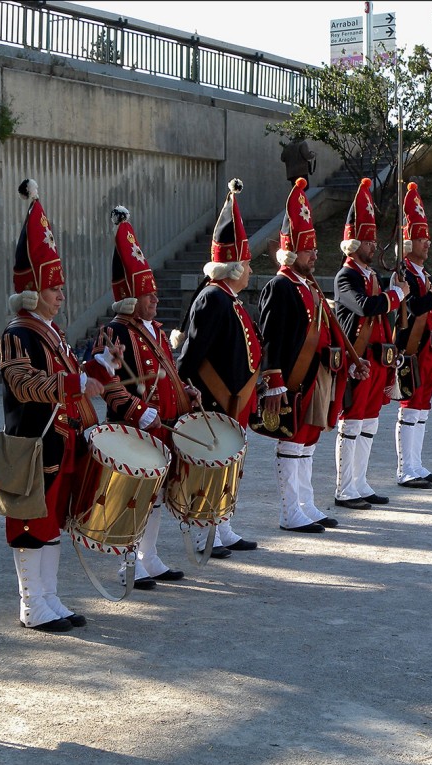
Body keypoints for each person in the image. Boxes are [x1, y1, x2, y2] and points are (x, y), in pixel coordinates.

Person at [1, 179, 119, 632]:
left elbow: (76, 381)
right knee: (32, 524)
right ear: (32, 292)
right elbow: (23, 383)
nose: (61, 294)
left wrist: (101, 366)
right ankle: (32, 604)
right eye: (53, 288)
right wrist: (78, 381)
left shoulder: (51, 332)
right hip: (34, 444)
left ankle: (49, 598)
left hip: (63, 442)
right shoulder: (20, 332)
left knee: (53, 523)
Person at [256, 177, 365, 533]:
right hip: (293, 378)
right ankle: (290, 512)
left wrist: (347, 363)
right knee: (293, 440)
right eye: (308, 250)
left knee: (309, 440)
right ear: (291, 252)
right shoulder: (280, 285)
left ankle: (305, 503)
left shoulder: (309, 285)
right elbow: (270, 338)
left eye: (314, 249)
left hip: (319, 376)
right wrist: (273, 383)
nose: (315, 255)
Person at [96, 205, 195, 587]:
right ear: (129, 298)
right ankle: (127, 565)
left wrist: (186, 391)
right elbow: (107, 382)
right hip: (134, 428)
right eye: (146, 294)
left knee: (154, 496)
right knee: (132, 496)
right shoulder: (117, 331)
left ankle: (148, 556)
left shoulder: (153, 330)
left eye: (154, 293)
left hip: (164, 427)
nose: (155, 299)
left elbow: (168, 375)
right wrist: (140, 412)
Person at [175, 178, 261, 554]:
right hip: (214, 400)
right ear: (234, 267)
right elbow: (193, 353)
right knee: (207, 465)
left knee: (228, 466)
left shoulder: (230, 298)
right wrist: (187, 390)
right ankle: (200, 531)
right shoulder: (212, 298)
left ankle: (223, 525)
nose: (251, 272)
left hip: (234, 401)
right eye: (247, 264)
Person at [332, 178, 407, 509]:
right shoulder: (345, 277)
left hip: (378, 359)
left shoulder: (370, 276)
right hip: (358, 359)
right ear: (353, 243)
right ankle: (344, 487)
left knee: (370, 423)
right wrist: (396, 295)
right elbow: (364, 307)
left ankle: (360, 482)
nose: (373, 245)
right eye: (367, 240)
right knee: (352, 423)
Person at [393, 182, 432, 489]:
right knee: (410, 405)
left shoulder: (421, 273)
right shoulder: (403, 272)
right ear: (408, 243)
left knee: (422, 406)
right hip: (413, 347)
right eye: (420, 238)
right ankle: (406, 468)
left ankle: (416, 464)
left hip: (429, 348)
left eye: (428, 238)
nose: (427, 243)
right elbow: (416, 306)